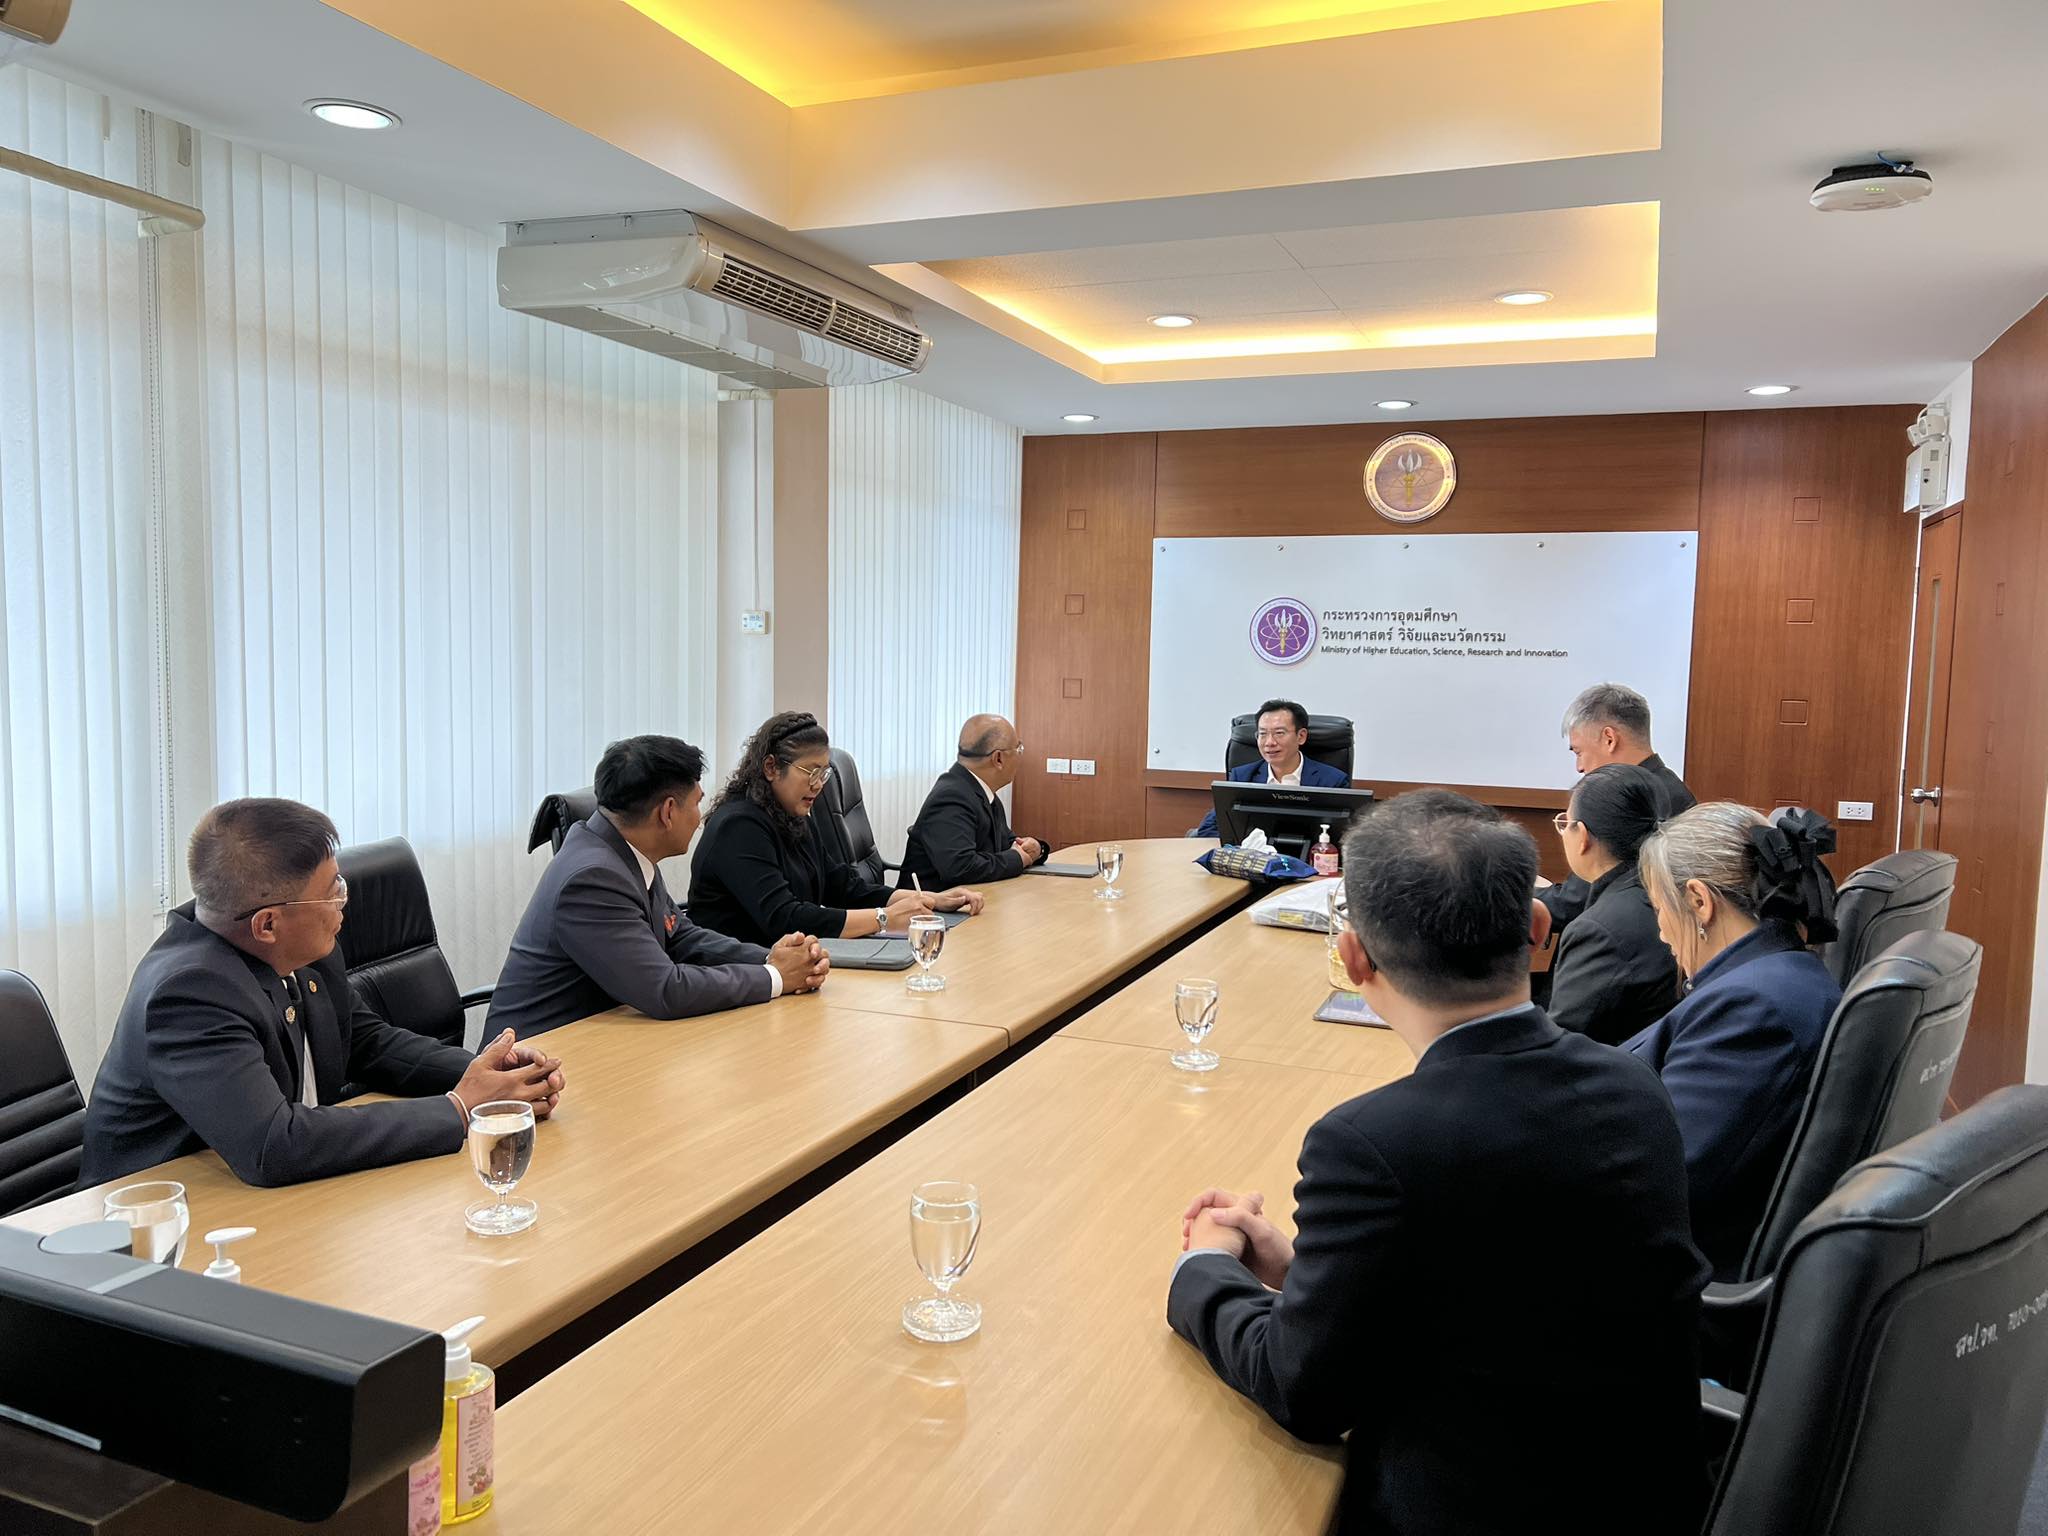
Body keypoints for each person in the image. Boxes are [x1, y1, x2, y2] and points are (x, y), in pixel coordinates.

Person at [1169, 790, 1709, 1536]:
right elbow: (1505, 1287)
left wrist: (1205, 1269)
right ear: (1539, 929)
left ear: (1352, 958)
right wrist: (1306, 1273)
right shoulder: (1636, 1087)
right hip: (1649, 1503)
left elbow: (1306, 1394)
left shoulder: (1371, 1145)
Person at [82, 798, 565, 1189]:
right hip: (162, 1227)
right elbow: (275, 1144)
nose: (343, 901)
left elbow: (364, 1042)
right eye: (332, 891)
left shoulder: (301, 947)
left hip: (283, 1199)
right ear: (267, 924)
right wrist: (457, 1109)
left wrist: (488, 1075)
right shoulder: (188, 996)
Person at [488, 735, 829, 1040]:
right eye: (696, 803)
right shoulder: (592, 878)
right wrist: (775, 977)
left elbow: (679, 936)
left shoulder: (623, 850)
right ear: (667, 812)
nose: (700, 817)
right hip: (531, 1062)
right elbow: (665, 989)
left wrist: (771, 958)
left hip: (603, 1039)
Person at [1625, 801, 1843, 1279]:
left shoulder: (1753, 1009)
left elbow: (1660, 1183)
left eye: (1659, 909)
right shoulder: (1776, 974)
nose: (1661, 932)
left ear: (1698, 901)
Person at [690, 712, 983, 946]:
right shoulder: (739, 827)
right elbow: (784, 918)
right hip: (739, 974)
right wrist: (884, 918)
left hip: (788, 965)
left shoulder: (792, 815)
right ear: (770, 767)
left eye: (824, 773)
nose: (819, 784)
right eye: (811, 772)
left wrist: (930, 898)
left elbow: (842, 887)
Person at [1546, 763, 1683, 1045]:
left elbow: (1561, 1043)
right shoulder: (1670, 890)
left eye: (1565, 823)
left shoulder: (1598, 930)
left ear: (1583, 837)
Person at [1542, 682, 1697, 933]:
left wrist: (1508, 898)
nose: (1579, 768)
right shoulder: (1669, 791)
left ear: (1609, 739)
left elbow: (1575, 902)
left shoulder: (1630, 802)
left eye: (1578, 752)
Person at [898, 714, 1051, 888]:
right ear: (998, 759)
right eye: (1018, 749)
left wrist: (1037, 848)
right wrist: (1017, 859)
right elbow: (960, 867)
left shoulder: (980, 792)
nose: (1020, 757)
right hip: (934, 903)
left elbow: (1007, 844)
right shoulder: (951, 798)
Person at [1193, 699, 1350, 838]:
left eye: (1279, 733)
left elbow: (1345, 837)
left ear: (1301, 736)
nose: (1269, 742)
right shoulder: (1242, 777)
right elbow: (1208, 829)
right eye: (1262, 734)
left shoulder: (1332, 781)